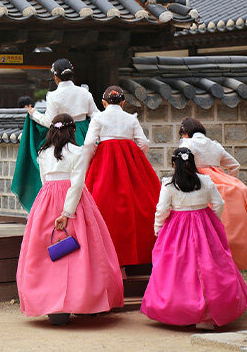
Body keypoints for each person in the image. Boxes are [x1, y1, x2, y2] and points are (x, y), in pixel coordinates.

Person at [16, 113, 124, 325]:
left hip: (46, 201)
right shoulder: (79, 151)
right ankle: (85, 302)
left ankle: (51, 306)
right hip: (74, 201)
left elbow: (44, 180)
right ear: (73, 131)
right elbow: (76, 184)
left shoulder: (43, 153)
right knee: (84, 251)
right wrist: (67, 213)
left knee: (45, 252)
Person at [141, 147, 247, 329]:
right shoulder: (206, 181)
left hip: (177, 227)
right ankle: (209, 313)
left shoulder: (169, 184)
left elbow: (162, 209)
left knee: (178, 269)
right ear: (193, 162)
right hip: (204, 223)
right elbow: (218, 203)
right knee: (209, 266)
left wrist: (158, 228)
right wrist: (212, 221)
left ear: (173, 163)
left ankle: (181, 310)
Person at [83, 86, 160, 267]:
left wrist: (89, 162)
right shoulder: (130, 118)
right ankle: (141, 255)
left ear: (103, 102)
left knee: (102, 203)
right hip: (130, 162)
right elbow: (144, 142)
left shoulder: (98, 117)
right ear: (123, 102)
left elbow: (88, 144)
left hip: (104, 161)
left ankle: (104, 256)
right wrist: (133, 156)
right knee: (139, 203)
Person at [178, 117, 247, 271]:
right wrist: (230, 181)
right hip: (221, 180)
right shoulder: (215, 145)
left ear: (185, 132)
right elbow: (234, 165)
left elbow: (183, 167)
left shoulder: (186, 144)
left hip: (197, 180)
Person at [11, 58, 99, 211]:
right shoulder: (84, 93)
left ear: (56, 77)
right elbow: (96, 115)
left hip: (64, 137)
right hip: (84, 135)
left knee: (63, 175)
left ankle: (59, 207)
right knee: (87, 174)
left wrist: (35, 114)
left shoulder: (53, 96)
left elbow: (50, 122)